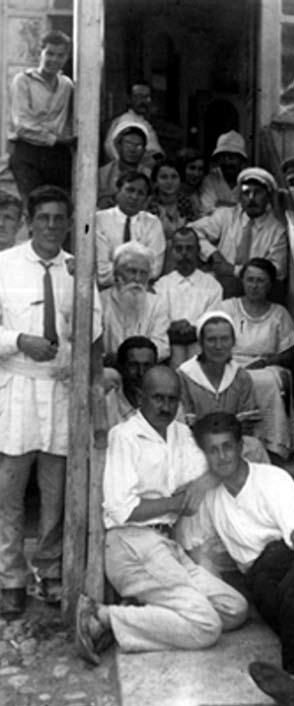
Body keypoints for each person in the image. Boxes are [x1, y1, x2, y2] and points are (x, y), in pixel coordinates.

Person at [182, 412, 294, 706]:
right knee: (279, 596)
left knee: (292, 594)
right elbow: (197, 548)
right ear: (205, 455)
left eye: (227, 446)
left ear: (240, 446)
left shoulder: (272, 478)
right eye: (213, 450)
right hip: (262, 576)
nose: (222, 456)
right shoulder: (210, 497)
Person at [75, 367, 248, 664]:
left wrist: (201, 483)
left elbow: (219, 466)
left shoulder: (182, 433)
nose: (166, 406)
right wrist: (177, 502)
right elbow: (124, 510)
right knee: (206, 625)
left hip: (167, 545)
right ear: (140, 397)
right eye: (158, 398)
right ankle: (101, 615)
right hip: (131, 544)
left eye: (172, 399)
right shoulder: (125, 436)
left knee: (234, 609)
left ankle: (141, 615)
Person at [0, 185, 102, 617]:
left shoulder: (77, 270)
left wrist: (82, 368)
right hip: (17, 388)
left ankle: (50, 570)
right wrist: (19, 340)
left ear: (69, 223)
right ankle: (10, 577)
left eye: (59, 218)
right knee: (9, 491)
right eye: (43, 218)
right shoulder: (4, 266)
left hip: (60, 391)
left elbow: (94, 332)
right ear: (29, 221)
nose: (51, 226)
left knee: (56, 493)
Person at [220, 258, 294, 460]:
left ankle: (271, 443)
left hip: (267, 365)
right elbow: (212, 340)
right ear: (242, 281)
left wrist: (265, 362)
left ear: (269, 285)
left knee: (266, 381)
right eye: (250, 280)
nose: (254, 286)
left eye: (260, 281)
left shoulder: (279, 313)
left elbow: (289, 352)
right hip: (229, 361)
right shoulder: (227, 308)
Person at [178, 311, 269, 464]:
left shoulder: (240, 377)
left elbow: (247, 425)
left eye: (225, 339)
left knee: (254, 447)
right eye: (211, 340)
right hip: (196, 445)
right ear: (201, 343)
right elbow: (183, 427)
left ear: (233, 342)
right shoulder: (184, 376)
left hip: (232, 445)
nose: (218, 346)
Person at [191, 167, 288, 298]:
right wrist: (213, 254)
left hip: (255, 290)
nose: (251, 198)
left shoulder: (277, 230)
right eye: (246, 193)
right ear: (240, 197)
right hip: (220, 283)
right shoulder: (226, 215)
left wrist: (235, 271)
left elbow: (278, 270)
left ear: (268, 197)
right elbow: (192, 230)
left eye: (258, 193)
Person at [8, 30, 74, 202]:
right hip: (28, 152)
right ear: (40, 52)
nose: (54, 60)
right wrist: (55, 139)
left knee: (59, 203)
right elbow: (22, 125)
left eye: (60, 55)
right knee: (33, 203)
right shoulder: (23, 81)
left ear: (66, 58)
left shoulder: (67, 85)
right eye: (50, 53)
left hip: (58, 155)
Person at [155, 227, 223, 368]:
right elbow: (159, 320)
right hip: (170, 342)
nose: (184, 253)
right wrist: (174, 326)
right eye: (179, 249)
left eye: (189, 248)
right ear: (172, 252)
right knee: (177, 350)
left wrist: (192, 328)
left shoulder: (212, 286)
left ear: (198, 251)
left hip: (200, 343)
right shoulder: (161, 285)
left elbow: (211, 322)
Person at [100, 242, 170, 363]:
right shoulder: (101, 301)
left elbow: (162, 347)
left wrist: (132, 359)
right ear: (117, 273)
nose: (137, 279)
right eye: (132, 271)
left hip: (145, 367)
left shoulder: (157, 303)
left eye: (143, 273)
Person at [95, 171, 165, 288]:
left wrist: (120, 272)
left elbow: (155, 270)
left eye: (140, 193)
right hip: (105, 291)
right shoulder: (99, 219)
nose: (134, 197)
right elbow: (102, 272)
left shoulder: (153, 223)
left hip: (141, 291)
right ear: (117, 191)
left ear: (147, 199)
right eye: (129, 190)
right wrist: (139, 271)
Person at [149, 158, 195, 273]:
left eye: (174, 177)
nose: (169, 182)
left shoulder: (186, 202)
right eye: (164, 177)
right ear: (155, 182)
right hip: (154, 254)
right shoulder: (149, 204)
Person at [103, 82, 164, 167]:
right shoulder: (127, 120)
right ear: (129, 99)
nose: (143, 101)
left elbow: (156, 152)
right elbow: (111, 148)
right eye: (139, 96)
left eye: (147, 97)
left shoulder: (144, 122)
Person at [104, 336, 157, 429]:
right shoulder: (106, 407)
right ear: (121, 367)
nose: (141, 373)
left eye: (147, 366)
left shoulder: (166, 404)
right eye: (133, 365)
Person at [97, 122, 151, 210]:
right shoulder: (102, 175)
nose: (132, 149)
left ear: (144, 150)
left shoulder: (149, 175)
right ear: (118, 146)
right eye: (128, 144)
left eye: (138, 146)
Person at [200, 130, 248, 215]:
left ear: (241, 161)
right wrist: (240, 208)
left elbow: (253, 211)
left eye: (231, 157)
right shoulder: (210, 179)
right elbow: (207, 210)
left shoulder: (249, 180)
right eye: (222, 157)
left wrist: (220, 204)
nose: (227, 162)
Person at [176, 147, 206, 219]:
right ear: (182, 168)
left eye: (200, 169)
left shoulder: (203, 191)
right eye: (192, 168)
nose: (196, 174)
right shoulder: (173, 193)